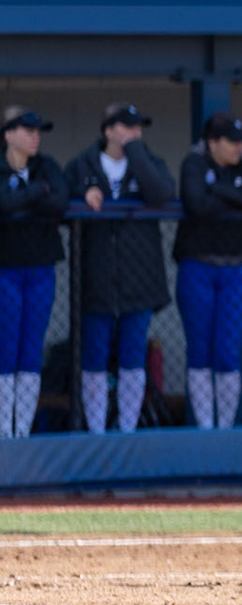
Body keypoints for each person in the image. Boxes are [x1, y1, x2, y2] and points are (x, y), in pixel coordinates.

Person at [66, 103, 175, 434]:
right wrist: (84, 193)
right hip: (97, 276)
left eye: (138, 127)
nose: (135, 133)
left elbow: (162, 193)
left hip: (139, 277)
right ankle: (96, 430)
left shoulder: (149, 161)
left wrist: (137, 154)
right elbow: (59, 196)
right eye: (127, 127)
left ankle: (127, 429)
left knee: (133, 356)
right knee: (95, 356)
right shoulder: (82, 165)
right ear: (108, 130)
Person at [175, 112, 242, 429]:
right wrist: (235, 197)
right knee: (199, 349)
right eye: (232, 141)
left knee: (228, 352)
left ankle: (225, 427)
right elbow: (196, 204)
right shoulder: (194, 163)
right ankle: (205, 427)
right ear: (212, 143)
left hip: (235, 268)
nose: (239, 147)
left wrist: (219, 190)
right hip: (197, 266)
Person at [0, 107, 68, 438]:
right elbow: (3, 204)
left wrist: (23, 197)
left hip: (41, 268)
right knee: (6, 345)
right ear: (8, 134)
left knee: (31, 348)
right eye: (28, 131)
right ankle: (4, 430)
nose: (35, 137)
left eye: (37, 131)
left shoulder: (47, 166)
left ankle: (22, 429)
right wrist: (37, 192)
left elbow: (60, 201)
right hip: (5, 269)